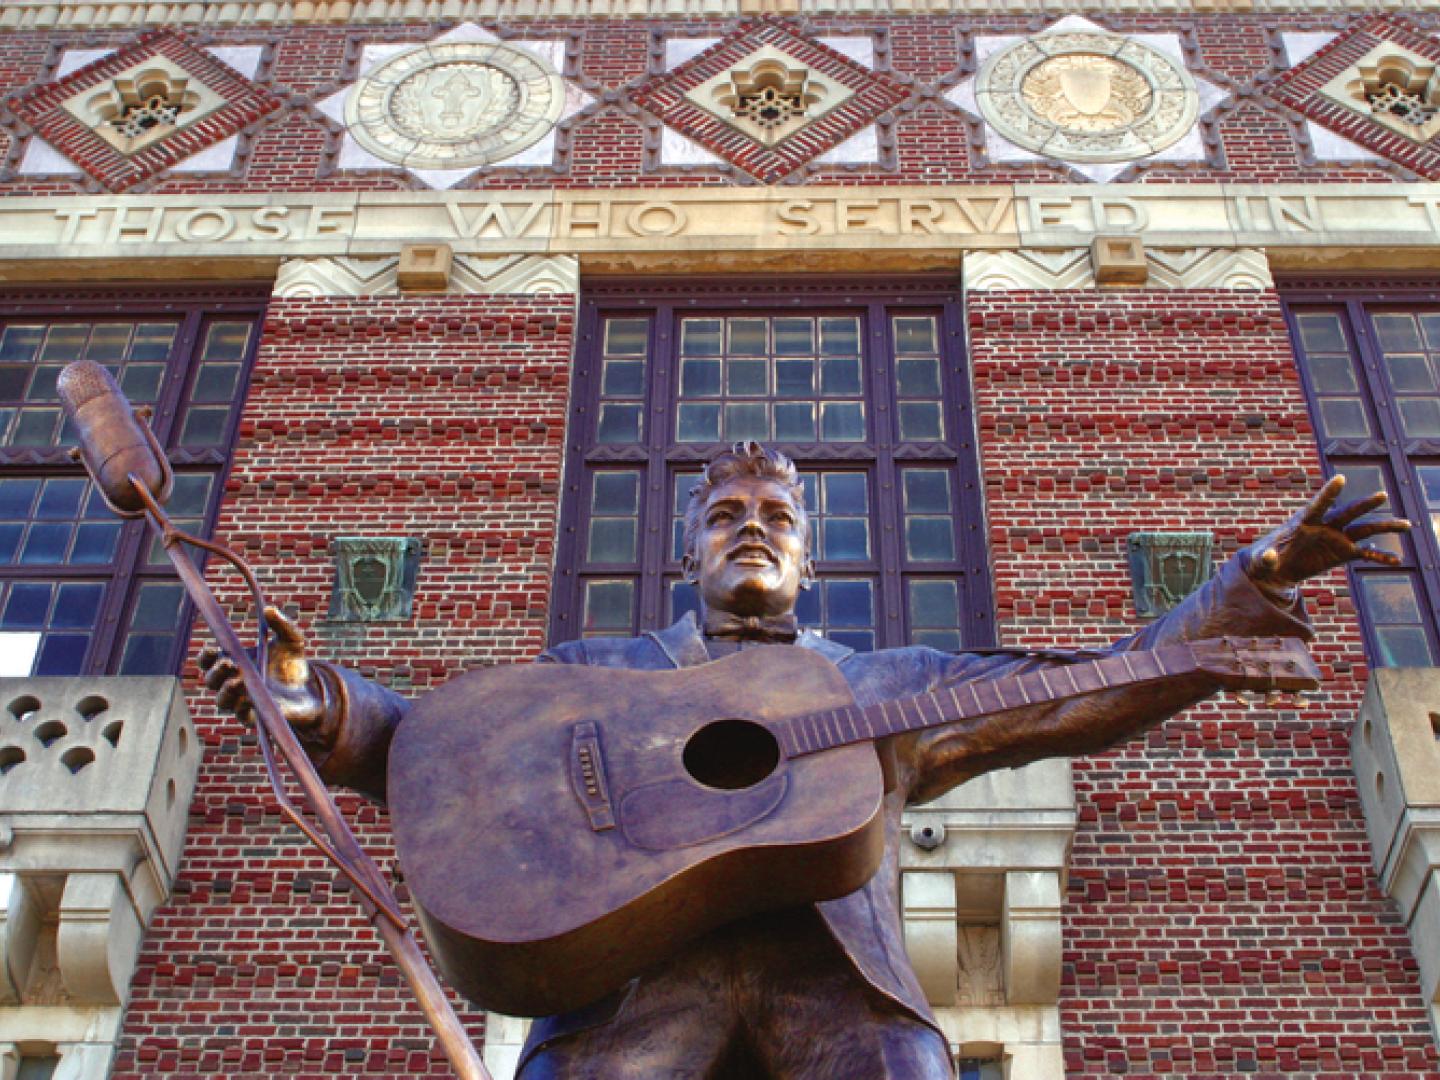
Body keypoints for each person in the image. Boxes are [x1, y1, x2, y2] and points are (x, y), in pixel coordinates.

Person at [201, 442, 1408, 1080]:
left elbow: (1069, 695)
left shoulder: (873, 685)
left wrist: (1251, 582)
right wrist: (318, 703)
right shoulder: (601, 671)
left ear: (810, 563)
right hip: (631, 988)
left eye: (777, 521)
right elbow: (439, 751)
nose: (753, 533)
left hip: (839, 994)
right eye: (726, 518)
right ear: (688, 555)